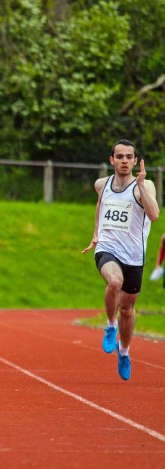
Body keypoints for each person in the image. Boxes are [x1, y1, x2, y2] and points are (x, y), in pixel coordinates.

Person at [82, 139, 159, 381]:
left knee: (128, 308)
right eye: (120, 156)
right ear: (112, 160)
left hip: (134, 255)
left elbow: (154, 215)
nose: (124, 161)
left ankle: (124, 351)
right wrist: (96, 232)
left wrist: (141, 186)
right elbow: (100, 205)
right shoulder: (101, 184)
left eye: (129, 157)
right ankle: (110, 324)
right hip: (108, 248)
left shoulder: (144, 185)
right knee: (114, 281)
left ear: (135, 161)